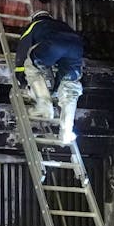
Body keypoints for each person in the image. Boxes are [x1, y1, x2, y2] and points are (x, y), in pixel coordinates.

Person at [13, 10, 84, 144]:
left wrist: (21, 74)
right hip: (76, 46)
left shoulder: (34, 26)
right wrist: (56, 91)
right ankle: (67, 132)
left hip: (54, 44)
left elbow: (23, 49)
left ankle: (44, 105)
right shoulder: (62, 25)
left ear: (35, 18)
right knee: (70, 87)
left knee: (31, 64)